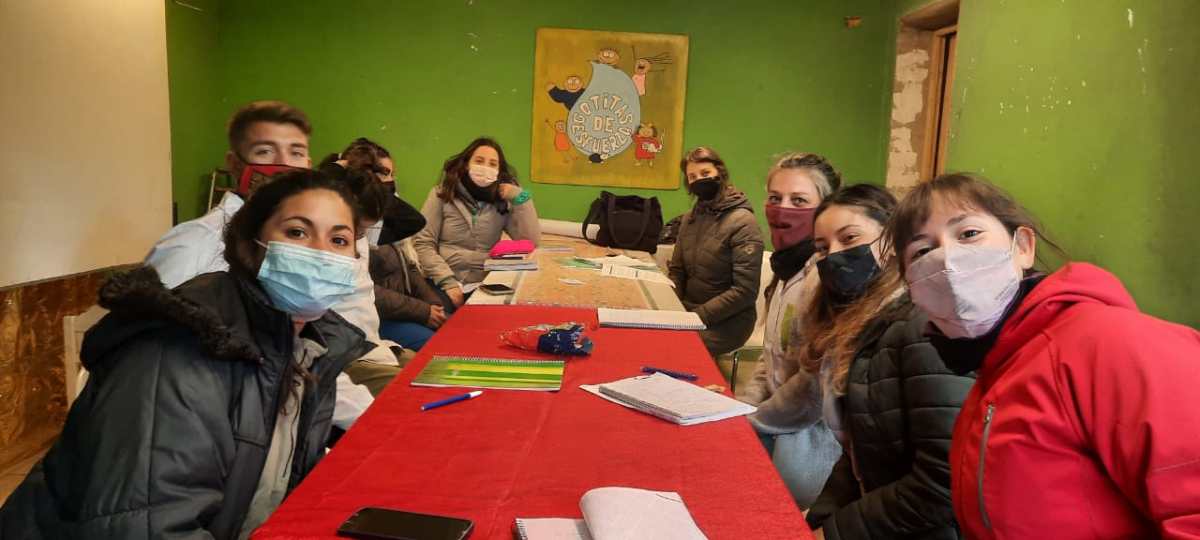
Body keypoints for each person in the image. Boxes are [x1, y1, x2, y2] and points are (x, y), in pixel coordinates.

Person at [0, 170, 372, 539]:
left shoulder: (307, 348)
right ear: (250, 245)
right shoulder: (180, 349)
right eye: (297, 232)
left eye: (339, 240)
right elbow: (145, 528)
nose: (321, 253)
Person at [887, 173, 1200, 539]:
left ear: (1022, 247)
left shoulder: (1112, 342)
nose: (947, 259)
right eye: (922, 252)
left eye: (969, 233)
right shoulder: (993, 376)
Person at [143, 101, 377, 424]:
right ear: (234, 164)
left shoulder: (313, 252)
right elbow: (157, 363)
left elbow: (299, 360)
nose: (283, 165)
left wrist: (374, 419)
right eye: (265, 152)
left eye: (296, 153)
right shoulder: (192, 244)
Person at [802, 184, 972, 540]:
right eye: (822, 248)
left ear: (892, 242)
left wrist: (832, 532)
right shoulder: (860, 324)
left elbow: (946, 481)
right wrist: (820, 519)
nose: (834, 255)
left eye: (849, 238)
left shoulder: (923, 327)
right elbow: (863, 450)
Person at [736, 153, 841, 507]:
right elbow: (770, 358)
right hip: (772, 423)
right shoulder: (784, 273)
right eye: (775, 198)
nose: (783, 210)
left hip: (807, 451)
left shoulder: (824, 280)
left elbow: (813, 389)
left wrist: (754, 420)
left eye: (799, 201)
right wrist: (741, 406)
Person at [413, 137, 540, 307]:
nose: (485, 167)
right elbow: (423, 243)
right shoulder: (441, 194)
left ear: (499, 171)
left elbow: (530, 242)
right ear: (467, 164)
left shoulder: (502, 201)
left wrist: (522, 198)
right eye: (479, 161)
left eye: (493, 164)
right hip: (442, 280)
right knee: (443, 317)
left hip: (486, 282)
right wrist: (447, 282)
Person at [667, 146, 763, 356]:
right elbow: (677, 270)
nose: (699, 180)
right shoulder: (690, 218)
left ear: (720, 173)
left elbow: (745, 292)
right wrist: (671, 308)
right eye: (692, 176)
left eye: (705, 173)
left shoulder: (743, 222)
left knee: (671, 349)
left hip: (728, 323)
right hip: (689, 312)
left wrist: (695, 317)